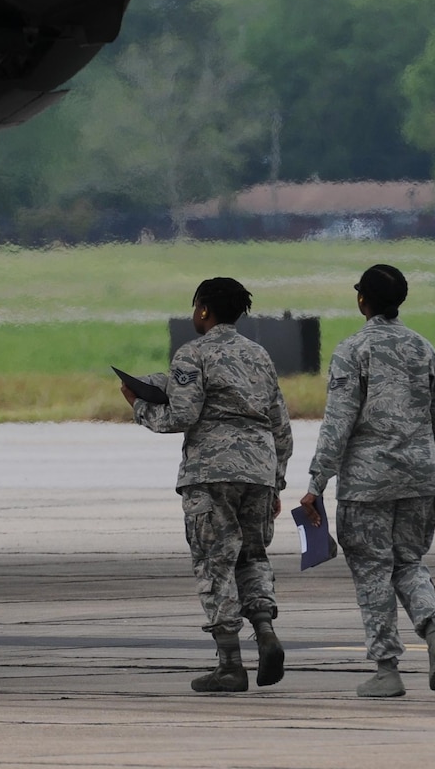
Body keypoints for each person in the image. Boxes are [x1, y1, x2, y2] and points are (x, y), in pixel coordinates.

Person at [301, 264, 435, 699]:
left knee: (373, 570)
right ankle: (434, 629)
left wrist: (317, 483)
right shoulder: (424, 349)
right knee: (409, 563)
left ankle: (387, 668)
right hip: (420, 476)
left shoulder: (353, 350)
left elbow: (338, 422)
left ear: (362, 300)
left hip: (368, 484)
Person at [128, 276, 292, 692]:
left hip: (211, 472)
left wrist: (141, 406)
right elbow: (280, 425)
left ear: (203, 309)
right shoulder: (259, 355)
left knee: (215, 562)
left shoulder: (192, 353)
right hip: (258, 470)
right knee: (252, 557)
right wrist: (276, 482)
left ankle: (230, 664)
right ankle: (267, 633)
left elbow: (182, 416)